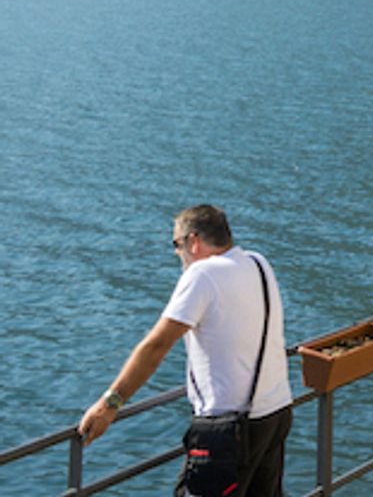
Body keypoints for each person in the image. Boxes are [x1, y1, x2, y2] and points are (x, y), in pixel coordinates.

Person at [79, 205, 293, 497]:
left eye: (176, 245)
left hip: (229, 428)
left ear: (194, 241)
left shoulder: (202, 275)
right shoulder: (258, 262)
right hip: (275, 413)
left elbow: (156, 345)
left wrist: (110, 403)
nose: (177, 254)